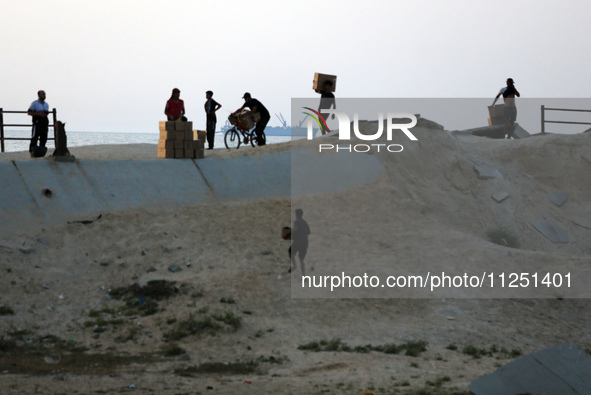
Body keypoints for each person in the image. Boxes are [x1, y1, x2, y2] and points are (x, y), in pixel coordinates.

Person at [27, 90, 50, 157]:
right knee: (34, 138)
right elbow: (29, 112)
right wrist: (38, 114)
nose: (44, 96)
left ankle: (41, 153)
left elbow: (46, 113)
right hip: (37, 123)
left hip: (44, 123)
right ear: (39, 95)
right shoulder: (34, 103)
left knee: (44, 139)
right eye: (42, 94)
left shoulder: (46, 104)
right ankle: (31, 153)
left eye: (44, 94)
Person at [289, 208, 311, 276]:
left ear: (297, 214)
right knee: (301, 260)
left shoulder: (297, 221)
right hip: (305, 242)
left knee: (291, 252)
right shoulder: (305, 222)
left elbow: (295, 229)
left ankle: (294, 265)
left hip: (298, 241)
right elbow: (309, 232)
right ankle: (304, 275)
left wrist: (290, 232)